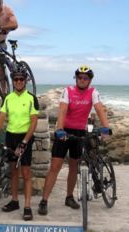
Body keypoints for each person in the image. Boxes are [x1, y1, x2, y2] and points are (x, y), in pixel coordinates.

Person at [38, 65, 111, 216]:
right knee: (55, 167)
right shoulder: (68, 91)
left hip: (80, 132)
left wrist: (106, 127)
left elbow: (99, 109)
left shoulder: (93, 92)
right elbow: (63, 111)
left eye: (85, 78)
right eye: (79, 77)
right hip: (64, 132)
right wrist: (59, 129)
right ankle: (44, 201)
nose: (82, 80)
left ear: (90, 80)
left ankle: (69, 197)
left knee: (73, 167)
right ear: (76, 78)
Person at [0, 67, 39, 221]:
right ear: (13, 81)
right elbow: (1, 117)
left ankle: (27, 206)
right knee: (13, 171)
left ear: (25, 81)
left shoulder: (31, 98)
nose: (18, 82)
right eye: (16, 79)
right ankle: (14, 201)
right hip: (11, 136)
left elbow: (33, 123)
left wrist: (25, 142)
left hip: (25, 137)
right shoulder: (8, 98)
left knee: (26, 173)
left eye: (21, 79)